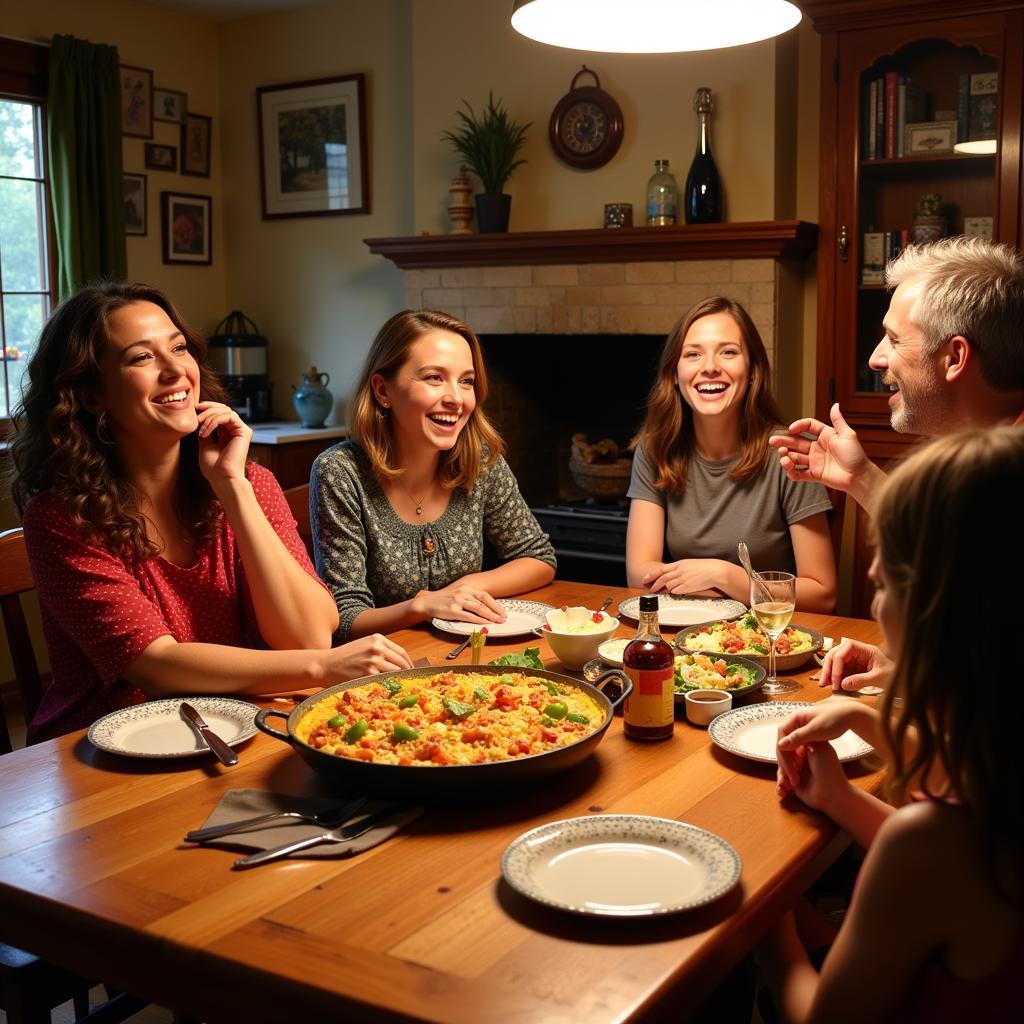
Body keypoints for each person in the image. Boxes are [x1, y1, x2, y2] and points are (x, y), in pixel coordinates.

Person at [9, 283, 412, 743]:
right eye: (141, 357)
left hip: (238, 728)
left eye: (179, 348)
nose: (175, 370)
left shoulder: (247, 481)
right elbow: (157, 667)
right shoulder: (62, 517)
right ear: (92, 394)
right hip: (105, 752)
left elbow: (307, 637)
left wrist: (233, 488)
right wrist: (323, 667)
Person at [762, 426, 1024, 1023]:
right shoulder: (998, 763)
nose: (875, 593)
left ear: (939, 613)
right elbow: (956, 843)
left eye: (886, 579)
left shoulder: (927, 841)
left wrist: (766, 918)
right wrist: (849, 760)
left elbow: (817, 1017)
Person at [311, 309, 556, 642]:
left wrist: (462, 590)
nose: (456, 399)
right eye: (433, 378)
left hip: (467, 655)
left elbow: (538, 557)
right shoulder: (340, 473)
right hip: (385, 670)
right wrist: (423, 606)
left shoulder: (479, 460)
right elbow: (344, 619)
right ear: (383, 390)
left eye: (466, 381)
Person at [770, 237, 1024, 517]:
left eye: (894, 340)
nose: (875, 360)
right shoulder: (976, 463)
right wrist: (861, 477)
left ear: (954, 358)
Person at [626, 296, 836, 611]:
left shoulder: (789, 451)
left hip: (768, 640)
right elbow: (638, 575)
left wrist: (728, 577)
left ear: (752, 370)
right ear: (674, 374)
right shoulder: (655, 450)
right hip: (684, 630)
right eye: (693, 354)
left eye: (728, 352)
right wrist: (721, 592)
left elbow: (822, 594)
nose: (710, 367)